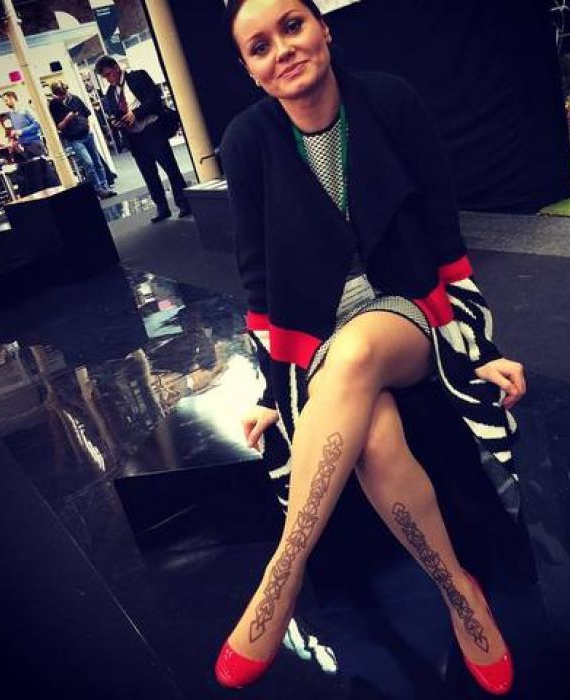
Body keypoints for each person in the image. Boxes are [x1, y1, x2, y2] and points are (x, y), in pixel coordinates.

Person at [214, 0, 528, 695]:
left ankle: (283, 572)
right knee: (376, 438)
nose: (282, 50)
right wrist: (272, 389)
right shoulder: (247, 141)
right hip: (318, 337)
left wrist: (481, 347)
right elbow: (258, 279)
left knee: (356, 354)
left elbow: (444, 233)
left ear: (324, 28)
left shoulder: (390, 101)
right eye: (259, 46)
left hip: (407, 313)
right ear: (250, 70)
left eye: (292, 25)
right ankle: (460, 592)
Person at [94, 55, 191, 223]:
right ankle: (162, 207)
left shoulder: (138, 76)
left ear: (116, 67)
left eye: (109, 74)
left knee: (170, 167)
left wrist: (136, 113)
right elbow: (115, 113)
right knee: (149, 174)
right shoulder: (110, 93)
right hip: (134, 138)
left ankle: (183, 203)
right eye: (105, 77)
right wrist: (115, 121)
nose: (108, 79)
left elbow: (154, 99)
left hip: (152, 129)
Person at [48, 81, 116, 199]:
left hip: (87, 135)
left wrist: (87, 127)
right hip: (74, 139)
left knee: (97, 163)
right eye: (60, 94)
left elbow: (86, 114)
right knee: (88, 163)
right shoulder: (54, 105)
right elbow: (59, 126)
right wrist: (69, 117)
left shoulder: (75, 99)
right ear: (55, 94)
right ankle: (98, 189)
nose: (63, 96)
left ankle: (105, 187)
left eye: (64, 92)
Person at [2, 91, 46, 158]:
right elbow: (15, 131)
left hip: (34, 143)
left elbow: (37, 124)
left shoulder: (26, 109)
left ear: (12, 98)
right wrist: (12, 140)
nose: (5, 103)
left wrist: (22, 131)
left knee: (41, 163)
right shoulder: (11, 115)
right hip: (24, 146)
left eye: (6, 100)